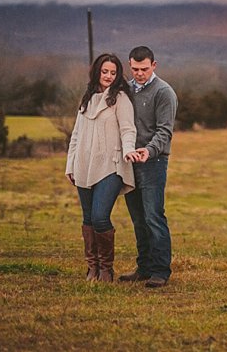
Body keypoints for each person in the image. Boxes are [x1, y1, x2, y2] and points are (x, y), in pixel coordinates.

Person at [65, 53, 142, 282]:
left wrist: (129, 149)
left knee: (100, 217)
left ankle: (107, 269)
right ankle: (93, 269)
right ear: (97, 71)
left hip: (111, 165)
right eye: (104, 71)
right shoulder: (87, 98)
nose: (108, 76)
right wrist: (70, 164)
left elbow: (128, 129)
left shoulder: (120, 98)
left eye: (113, 72)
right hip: (83, 165)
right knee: (88, 218)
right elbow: (76, 135)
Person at [119, 46, 178, 287]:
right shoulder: (126, 90)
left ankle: (160, 271)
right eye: (135, 69)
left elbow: (165, 130)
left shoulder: (164, 92)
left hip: (153, 162)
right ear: (129, 65)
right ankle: (143, 267)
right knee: (138, 218)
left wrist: (149, 150)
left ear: (154, 65)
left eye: (144, 69)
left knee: (154, 216)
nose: (139, 73)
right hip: (130, 161)